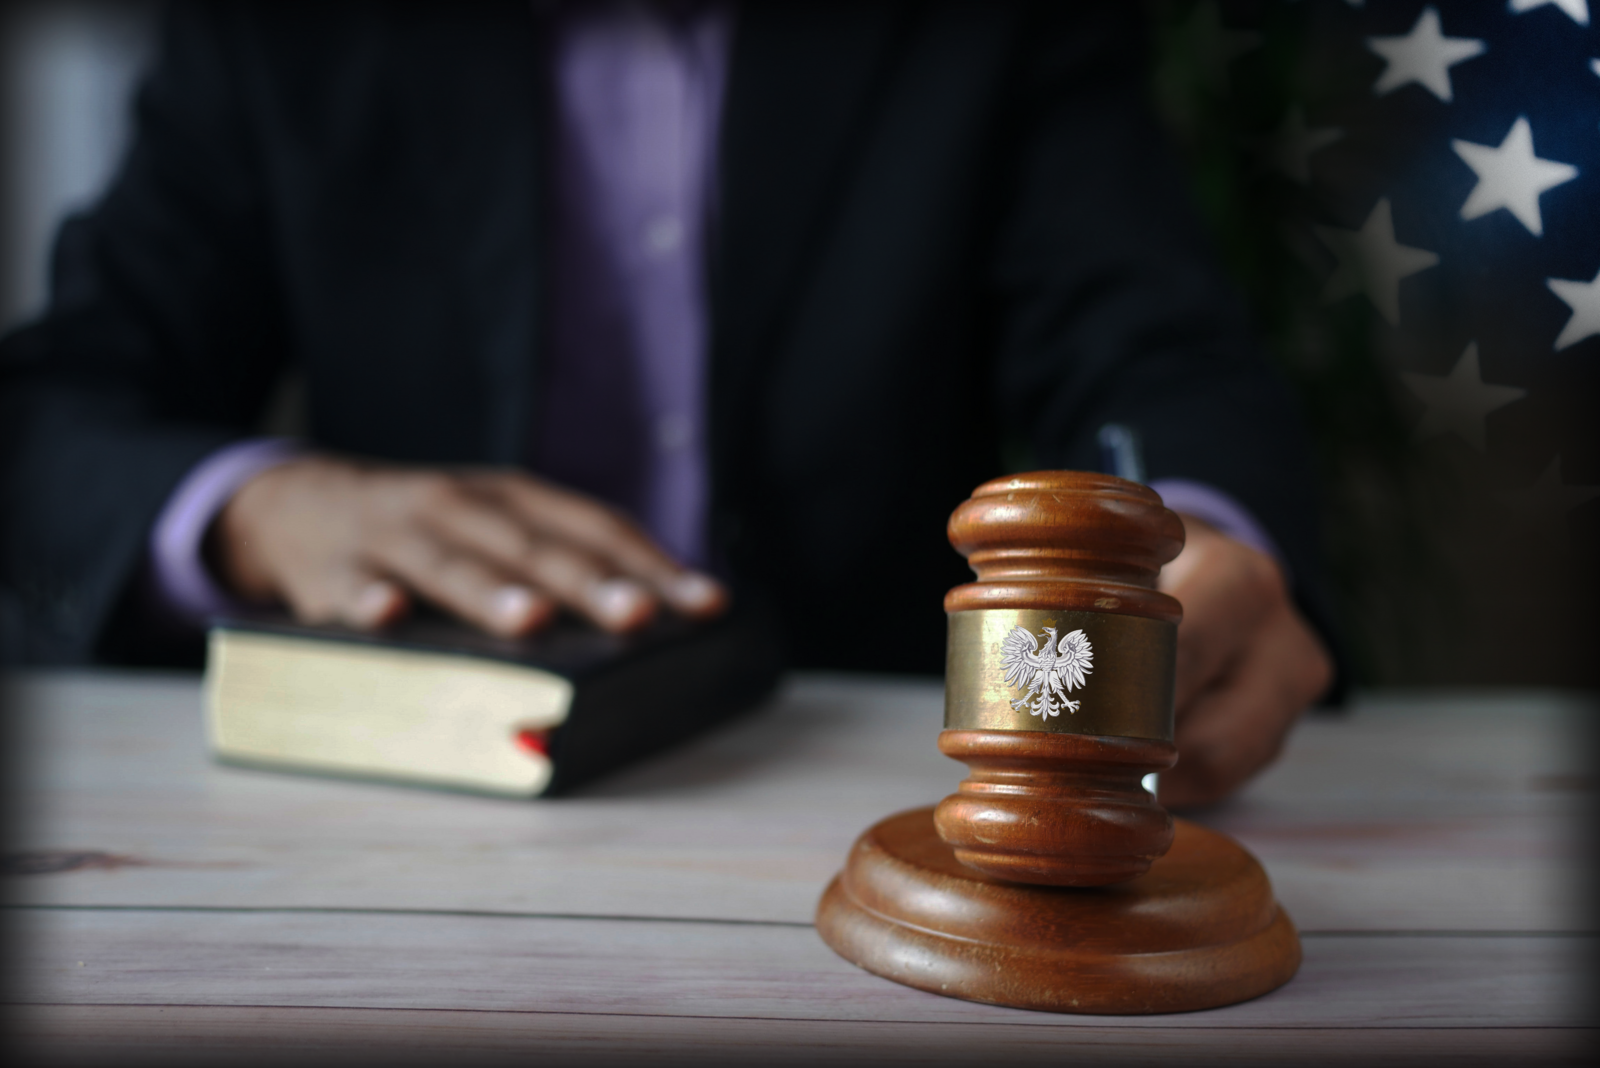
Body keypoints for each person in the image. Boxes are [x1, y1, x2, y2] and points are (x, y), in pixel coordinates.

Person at [0, 1, 1333, 806]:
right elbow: (57, 409)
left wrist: (1201, 551)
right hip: (391, 823)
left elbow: (1161, 358)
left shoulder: (993, 23)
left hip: (868, 767)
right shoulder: (273, 31)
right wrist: (253, 509)